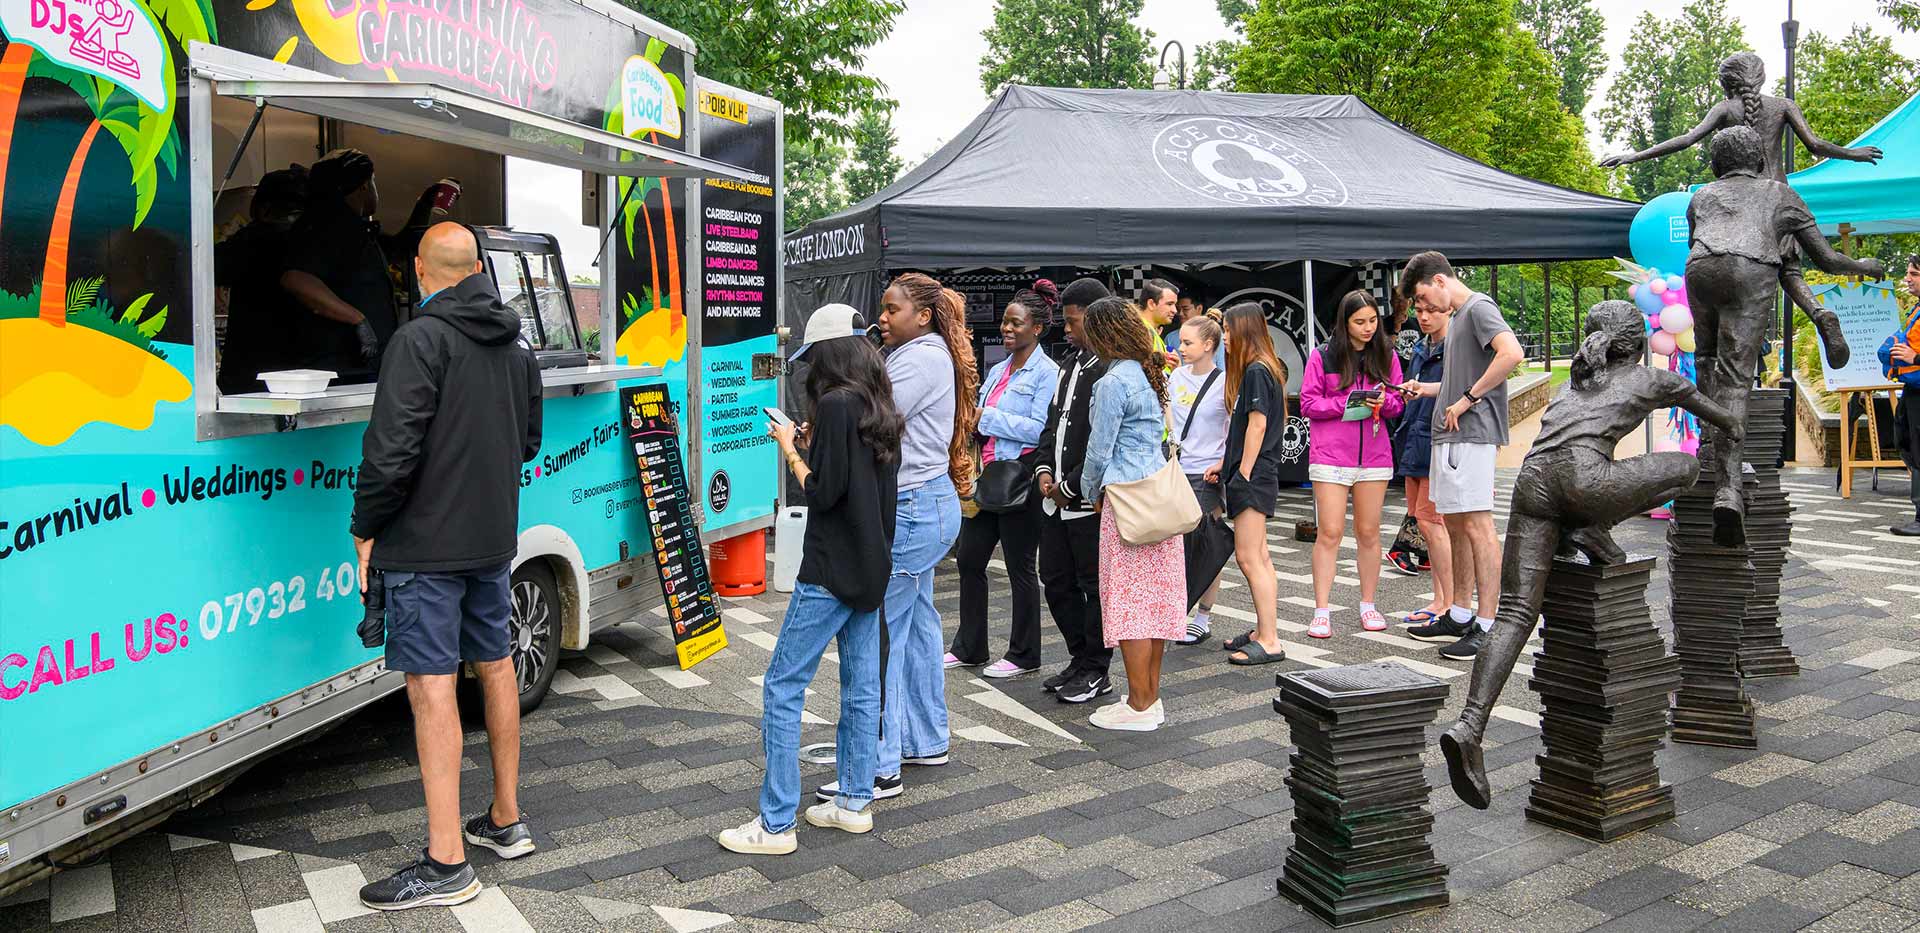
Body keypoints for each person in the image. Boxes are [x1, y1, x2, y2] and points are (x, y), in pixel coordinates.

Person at [1437, 301, 1741, 809]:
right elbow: (1725, 420)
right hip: (1583, 481)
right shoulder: (1652, 379)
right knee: (1683, 468)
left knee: (1514, 612)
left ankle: (1471, 725)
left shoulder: (1568, 385)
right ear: (1638, 342)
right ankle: (1588, 529)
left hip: (1532, 485)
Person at [351, 223, 543, 911]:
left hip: (425, 548)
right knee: (493, 664)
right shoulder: (518, 345)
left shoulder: (418, 341)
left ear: (419, 272)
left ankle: (446, 862)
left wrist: (364, 526)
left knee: (431, 689)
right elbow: (528, 440)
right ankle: (504, 817)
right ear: (479, 270)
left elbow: (389, 455)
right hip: (492, 541)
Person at [719, 304, 901, 854]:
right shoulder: (877, 404)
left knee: (782, 686)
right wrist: (810, 441)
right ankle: (853, 802)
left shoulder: (837, 404)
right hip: (872, 566)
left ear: (825, 355)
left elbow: (823, 492)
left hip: (828, 569)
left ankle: (775, 823)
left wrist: (790, 449)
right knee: (862, 687)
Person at [1685, 126, 1883, 546]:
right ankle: (1728, 488)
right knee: (1736, 379)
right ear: (1759, 161)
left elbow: (1697, 240)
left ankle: (1708, 441)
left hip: (1700, 268)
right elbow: (1826, 260)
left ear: (1717, 164)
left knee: (1705, 360)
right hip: (1749, 266)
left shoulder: (1700, 196)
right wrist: (1862, 266)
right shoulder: (1779, 193)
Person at [822, 272, 974, 803]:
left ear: (923, 315)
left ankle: (878, 765)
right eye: (882, 310)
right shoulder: (919, 354)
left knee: (880, 634)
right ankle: (925, 739)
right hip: (921, 505)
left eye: (891, 310)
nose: (880, 319)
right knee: (915, 626)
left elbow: (870, 421)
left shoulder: (922, 358)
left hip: (913, 507)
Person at [1399, 251, 1524, 660]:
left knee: (1477, 524)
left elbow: (1512, 353)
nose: (1423, 308)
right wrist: (1430, 390)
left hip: (1469, 434)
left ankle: (1488, 626)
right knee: (1455, 523)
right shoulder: (1460, 318)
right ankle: (1459, 611)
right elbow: (1461, 377)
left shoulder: (1478, 308)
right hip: (1449, 434)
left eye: (1421, 296)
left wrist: (1468, 399)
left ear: (1438, 281)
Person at [1079, 297, 1185, 731]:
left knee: (1128, 604)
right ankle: (1148, 697)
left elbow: (1099, 449)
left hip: (1124, 500)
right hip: (1159, 494)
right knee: (1155, 602)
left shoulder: (1112, 381)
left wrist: (1087, 491)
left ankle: (1140, 705)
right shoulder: (1150, 370)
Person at [947, 282, 1062, 677]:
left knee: (1020, 567)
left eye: (1016, 323)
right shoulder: (998, 369)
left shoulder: (1048, 373)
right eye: (1005, 322)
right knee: (970, 559)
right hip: (988, 477)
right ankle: (970, 647)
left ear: (1038, 329)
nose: (1007, 328)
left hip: (1021, 480)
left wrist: (989, 419)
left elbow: (1040, 429)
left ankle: (1024, 654)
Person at [1299, 291, 1404, 638]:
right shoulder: (1322, 356)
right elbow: (1309, 403)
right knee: (1329, 532)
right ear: (1344, 323)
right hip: (1330, 457)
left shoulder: (1386, 354)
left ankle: (1368, 604)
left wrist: (1383, 402)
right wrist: (1346, 403)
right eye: (1360, 322)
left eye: (1373, 321)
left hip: (1374, 456)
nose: (1368, 328)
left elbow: (1398, 403)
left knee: (1370, 532)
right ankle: (1321, 610)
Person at [1034, 278, 1117, 703]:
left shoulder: (1109, 368)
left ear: (1095, 317)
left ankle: (1097, 667)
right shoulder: (1068, 364)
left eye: (1073, 321)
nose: (1066, 329)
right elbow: (1054, 425)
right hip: (1057, 501)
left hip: (1090, 502)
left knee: (1092, 586)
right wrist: (1045, 469)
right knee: (1055, 580)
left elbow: (1103, 440)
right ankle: (1079, 656)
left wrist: (1072, 484)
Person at [282, 150, 398, 381]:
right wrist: (358, 320)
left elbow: (399, 246)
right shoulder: (329, 225)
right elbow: (296, 279)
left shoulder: (355, 227)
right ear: (364, 185)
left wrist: (424, 206)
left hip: (358, 365)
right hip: (340, 366)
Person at [1217, 302, 1289, 667]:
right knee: (1259, 556)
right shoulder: (1262, 368)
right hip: (1257, 473)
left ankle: (1271, 639)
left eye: (1228, 330)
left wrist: (1242, 473)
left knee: (1249, 557)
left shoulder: (1257, 371)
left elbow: (1257, 425)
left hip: (1254, 476)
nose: (1224, 338)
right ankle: (1264, 631)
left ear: (1243, 330)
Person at [1395, 292, 1459, 632]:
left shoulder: (1455, 348)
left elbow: (1461, 389)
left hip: (1438, 441)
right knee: (1423, 521)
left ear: (1448, 310)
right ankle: (1439, 599)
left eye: (1431, 310)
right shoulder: (1421, 347)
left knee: (1434, 524)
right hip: (1415, 438)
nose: (1423, 316)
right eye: (1419, 310)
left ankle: (1450, 603)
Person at [217, 166, 309, 395]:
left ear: (260, 209)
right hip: (301, 370)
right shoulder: (311, 243)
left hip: (250, 371)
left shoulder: (250, 241)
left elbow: (208, 267)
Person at [1169, 312, 1229, 645]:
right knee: (1176, 546)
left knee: (1207, 546)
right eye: (1180, 341)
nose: (1181, 348)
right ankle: (1177, 610)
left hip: (1208, 473)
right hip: (1176, 472)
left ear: (1209, 345)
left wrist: (1223, 461)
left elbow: (1236, 428)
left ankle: (1202, 616)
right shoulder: (1175, 377)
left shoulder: (1224, 382)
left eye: (1188, 342)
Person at [1385, 290, 1429, 576]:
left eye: (1408, 302)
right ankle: (1403, 547)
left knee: (1427, 499)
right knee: (1426, 499)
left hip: (1419, 416)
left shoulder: (1419, 330)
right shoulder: (1386, 327)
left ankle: (1423, 549)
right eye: (1399, 302)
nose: (1406, 307)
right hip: (1409, 413)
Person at [1878, 255, 1920, 536]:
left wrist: (1916, 356)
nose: (1908, 278)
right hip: (1913, 390)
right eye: (1908, 273)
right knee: (1905, 442)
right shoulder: (1916, 310)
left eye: (1914, 273)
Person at [1139, 278, 1180, 371]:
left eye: (1175, 304)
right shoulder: (1139, 334)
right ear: (1151, 304)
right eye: (1169, 304)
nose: (1175, 310)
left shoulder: (1150, 332)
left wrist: (1175, 370)